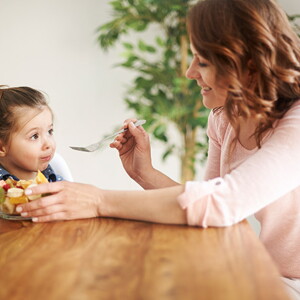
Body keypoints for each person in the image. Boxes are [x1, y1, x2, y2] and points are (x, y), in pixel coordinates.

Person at [16, 0, 300, 298]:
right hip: (266, 272)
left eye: (202, 62)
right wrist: (145, 173)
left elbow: (220, 204)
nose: (190, 72)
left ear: (247, 65)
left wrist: (98, 200)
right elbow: (204, 205)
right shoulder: (225, 118)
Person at [0, 86, 63, 183]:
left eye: (49, 131)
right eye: (34, 136)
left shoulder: (57, 182)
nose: (48, 145)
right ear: (1, 147)